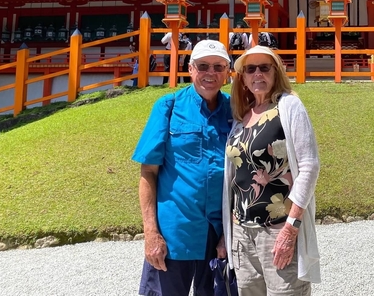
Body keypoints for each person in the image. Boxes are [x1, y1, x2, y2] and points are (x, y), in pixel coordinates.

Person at [132, 40, 233, 296]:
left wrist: (230, 233)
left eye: (218, 66)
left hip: (218, 233)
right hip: (175, 231)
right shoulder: (169, 106)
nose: (211, 73)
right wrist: (151, 233)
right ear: (190, 69)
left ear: (228, 71)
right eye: (203, 66)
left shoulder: (236, 110)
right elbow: (148, 173)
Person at [223, 45, 321, 295]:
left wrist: (292, 227)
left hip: (277, 228)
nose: (258, 74)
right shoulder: (240, 117)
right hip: (242, 233)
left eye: (264, 68)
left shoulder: (288, 106)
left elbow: (309, 166)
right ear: (243, 78)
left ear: (276, 73)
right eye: (250, 69)